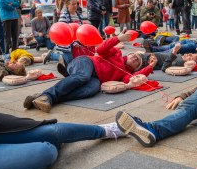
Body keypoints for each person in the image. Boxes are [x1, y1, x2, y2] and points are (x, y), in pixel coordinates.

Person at [23, 32, 155, 112]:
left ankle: (43, 97)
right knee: (83, 77)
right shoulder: (117, 53)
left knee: (92, 89)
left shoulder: (125, 75)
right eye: (134, 55)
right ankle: (49, 96)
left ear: (136, 66)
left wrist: (150, 66)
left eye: (137, 60)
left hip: (96, 78)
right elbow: (101, 49)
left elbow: (136, 78)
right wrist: (118, 39)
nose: (134, 57)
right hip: (87, 62)